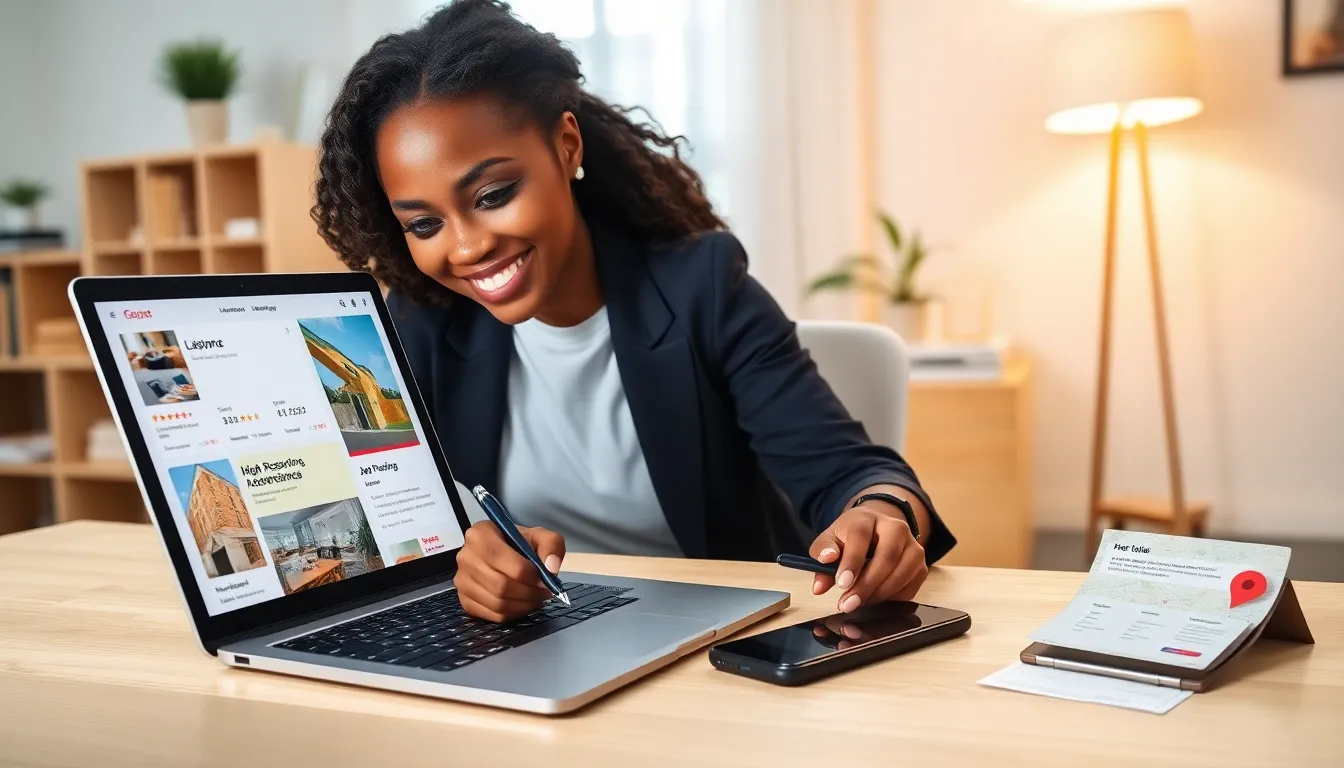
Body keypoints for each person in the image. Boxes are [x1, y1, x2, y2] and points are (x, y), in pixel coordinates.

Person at [312, 0, 956, 623]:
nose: (467, 245)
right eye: (424, 224)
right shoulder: (425, 319)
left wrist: (883, 514)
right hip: (535, 644)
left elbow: (850, 472)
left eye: (493, 193)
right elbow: (393, 514)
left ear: (566, 147)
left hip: (714, 643)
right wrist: (466, 558)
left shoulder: (701, 287)